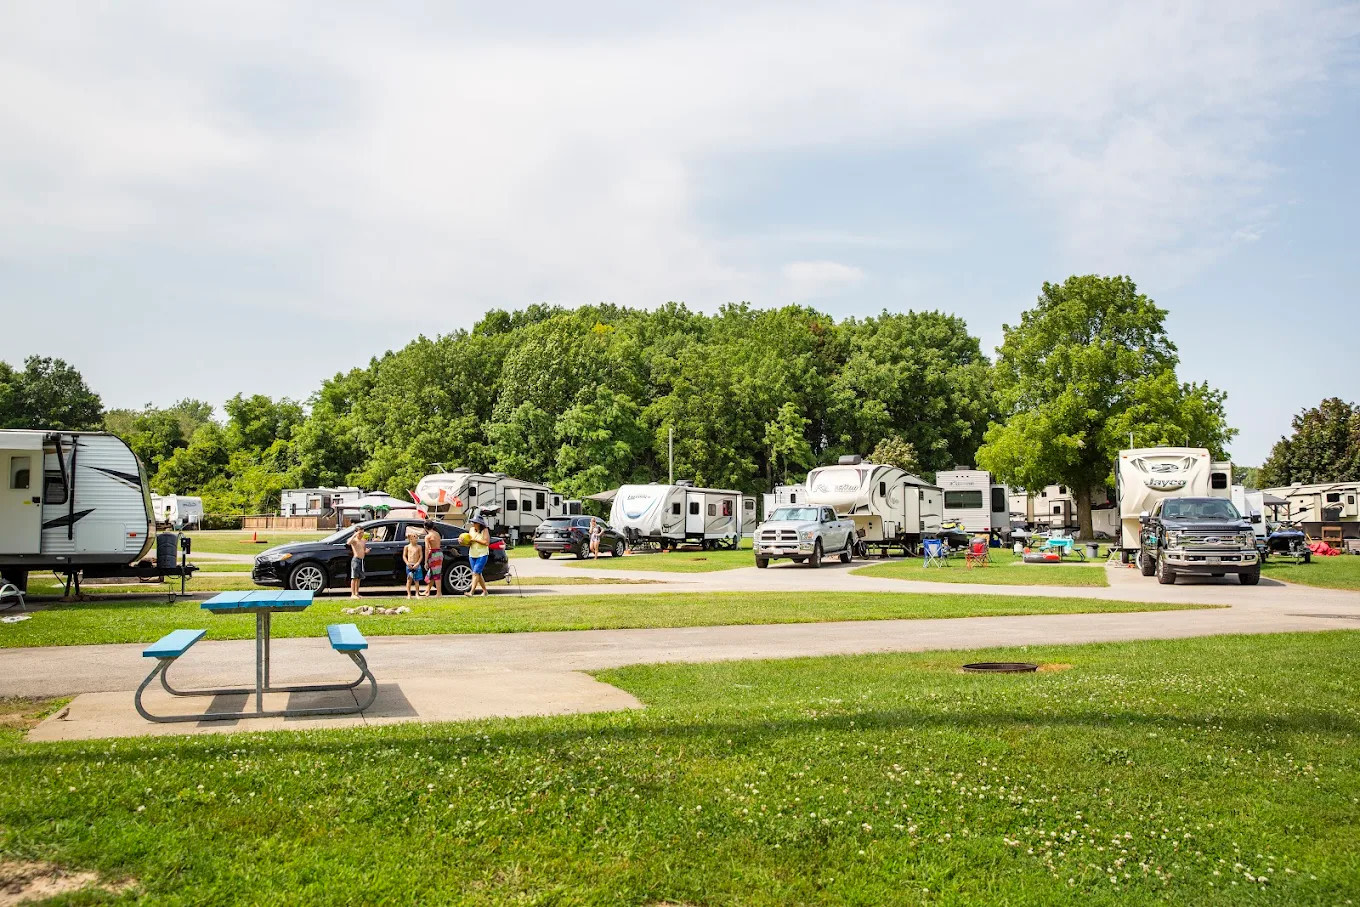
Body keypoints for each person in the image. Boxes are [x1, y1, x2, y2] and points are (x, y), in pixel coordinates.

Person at [466, 515, 491, 596]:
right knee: (478, 573)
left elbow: (486, 543)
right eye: (473, 522)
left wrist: (475, 540)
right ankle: (485, 591)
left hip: (482, 554)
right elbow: (469, 542)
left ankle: (471, 592)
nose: (473, 524)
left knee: (475, 573)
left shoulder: (485, 530)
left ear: (480, 524)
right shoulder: (471, 530)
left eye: (475, 523)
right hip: (472, 554)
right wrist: (463, 541)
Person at [423, 521, 444, 597]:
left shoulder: (428, 536)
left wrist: (425, 561)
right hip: (439, 553)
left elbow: (426, 549)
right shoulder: (437, 533)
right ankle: (427, 591)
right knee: (432, 573)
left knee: (436, 574)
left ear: (425, 527)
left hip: (434, 555)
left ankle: (439, 593)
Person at [403, 530, 425, 598]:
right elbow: (404, 556)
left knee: (416, 580)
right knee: (409, 580)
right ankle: (409, 594)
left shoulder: (419, 547)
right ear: (410, 539)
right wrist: (407, 563)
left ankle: (417, 594)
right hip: (409, 565)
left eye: (416, 537)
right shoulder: (407, 547)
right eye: (414, 537)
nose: (416, 539)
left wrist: (418, 563)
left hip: (416, 565)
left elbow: (421, 556)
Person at [346, 528, 367, 599]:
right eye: (360, 533)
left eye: (362, 533)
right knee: (354, 577)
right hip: (356, 560)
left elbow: (363, 550)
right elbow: (348, 543)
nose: (361, 534)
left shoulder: (363, 541)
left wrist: (366, 551)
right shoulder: (354, 540)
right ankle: (353, 594)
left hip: (361, 560)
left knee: (359, 578)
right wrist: (354, 535)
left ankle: (357, 593)